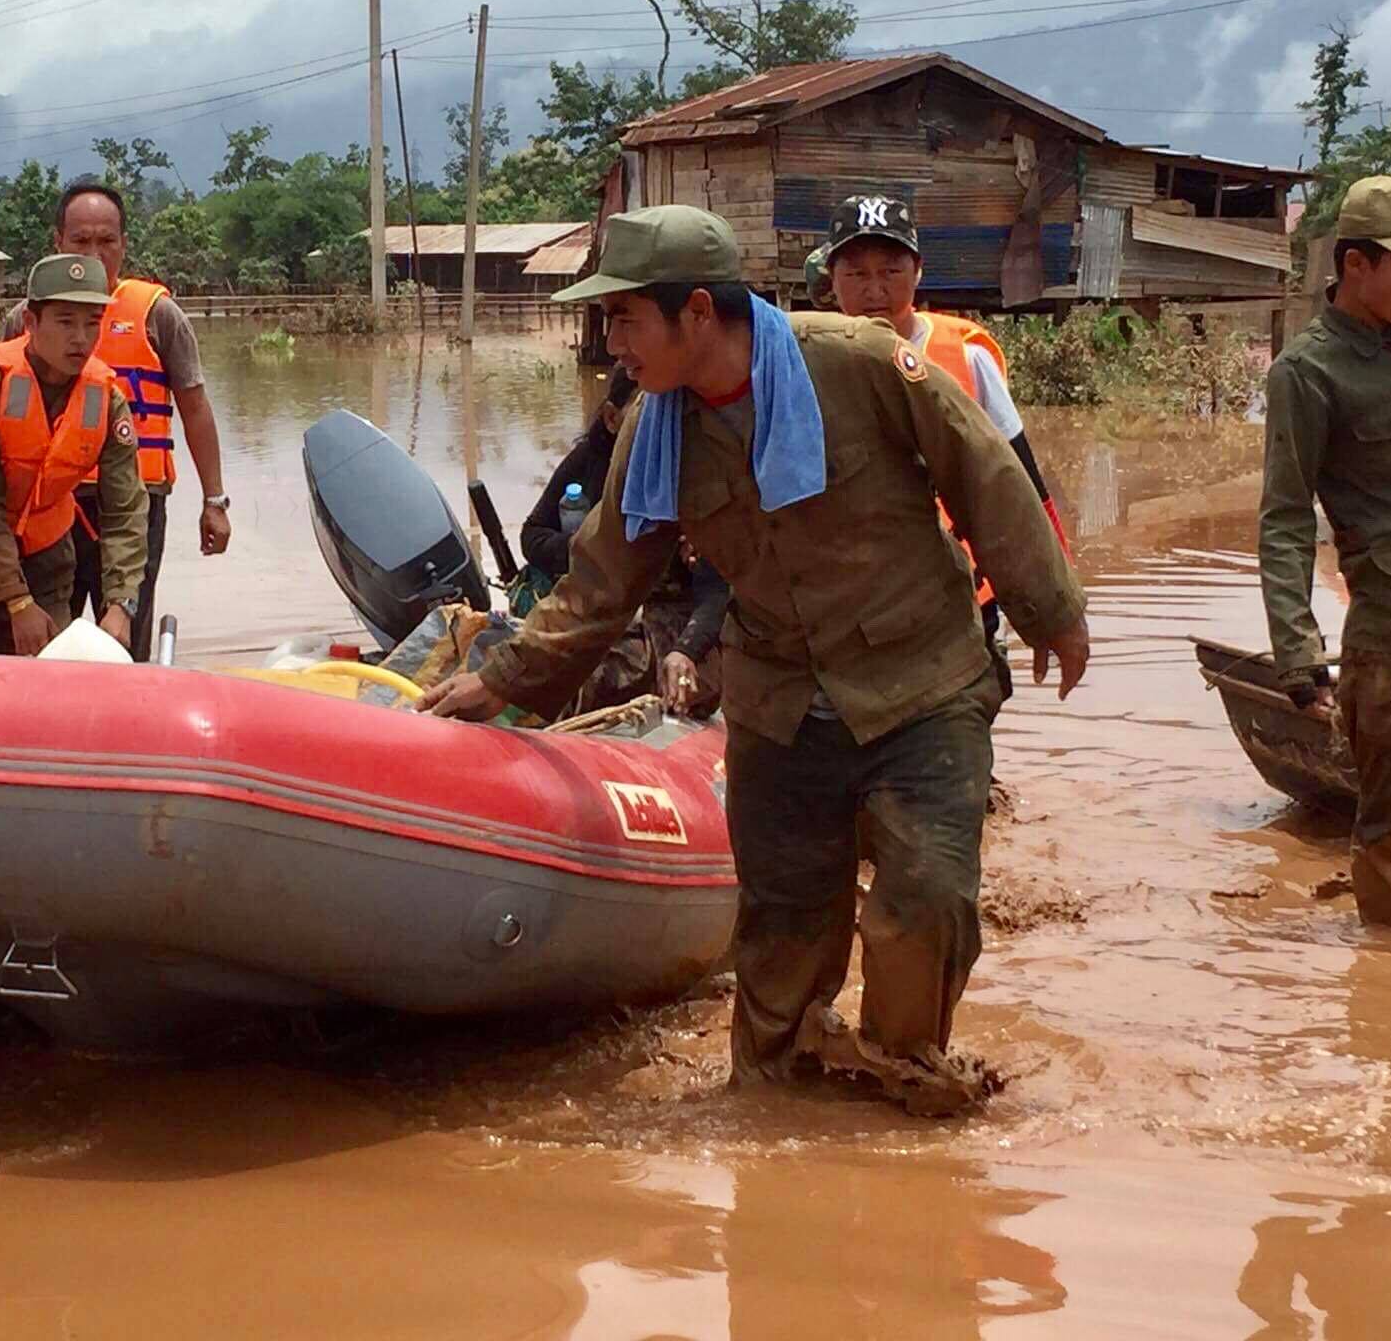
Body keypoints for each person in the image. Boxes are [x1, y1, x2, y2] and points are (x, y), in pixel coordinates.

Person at [422, 205, 1089, 1113]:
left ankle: (901, 1088)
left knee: (925, 904)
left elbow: (985, 472)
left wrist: (1050, 611)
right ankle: (773, 1108)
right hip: (778, 701)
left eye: (624, 318)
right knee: (782, 928)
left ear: (697, 313)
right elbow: (602, 581)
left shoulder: (854, 363)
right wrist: (500, 678)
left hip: (922, 684)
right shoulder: (653, 435)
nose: (610, 342)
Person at [820, 193, 1072, 694]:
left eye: (890, 272)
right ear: (832, 279)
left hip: (958, 595)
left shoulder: (965, 359)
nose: (874, 290)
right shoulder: (807, 359)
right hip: (849, 603)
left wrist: (1055, 606)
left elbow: (1022, 487)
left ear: (917, 272)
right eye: (856, 273)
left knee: (961, 727)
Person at [1259, 174, 1391, 927]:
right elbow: (1286, 519)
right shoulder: (1309, 373)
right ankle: (1382, 999)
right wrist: (1297, 652)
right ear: (1359, 265)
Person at [5, 182, 230, 660]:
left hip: (133, 504)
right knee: (44, 643)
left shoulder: (159, 315)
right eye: (81, 241)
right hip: (49, 505)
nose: (94, 253)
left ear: (124, 245)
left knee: (125, 636)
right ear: (58, 244)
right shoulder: (27, 319)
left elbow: (194, 407)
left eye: (106, 241)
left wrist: (215, 500)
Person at [0, 254, 147, 654]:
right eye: (65, 322)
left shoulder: (107, 400)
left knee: (42, 696)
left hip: (46, 565)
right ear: (31, 323)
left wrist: (120, 603)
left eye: (93, 323)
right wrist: (17, 602)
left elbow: (126, 507)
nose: (81, 338)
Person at [518, 370, 727, 717]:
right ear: (613, 420)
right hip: (597, 602)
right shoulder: (590, 461)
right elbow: (533, 534)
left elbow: (717, 590)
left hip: (666, 621)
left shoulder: (690, 475)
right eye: (642, 423)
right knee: (526, 655)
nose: (651, 434)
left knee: (608, 671)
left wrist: (687, 650)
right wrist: (591, 549)